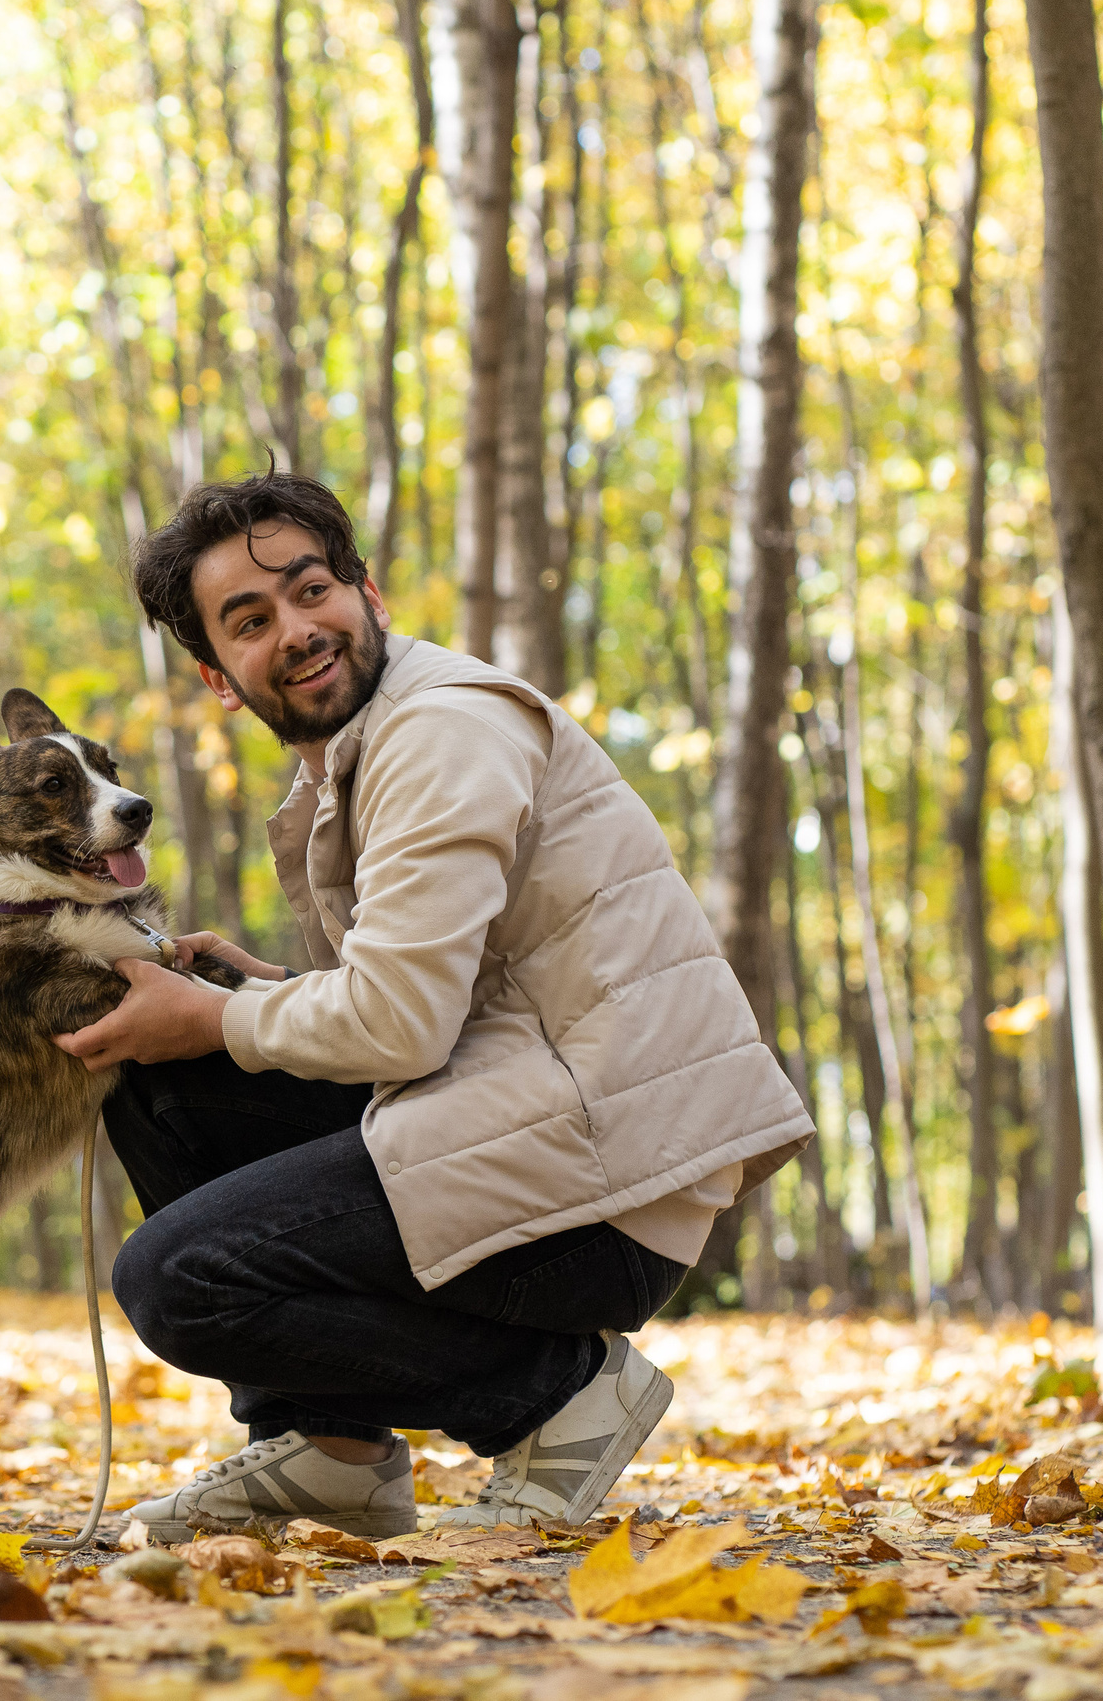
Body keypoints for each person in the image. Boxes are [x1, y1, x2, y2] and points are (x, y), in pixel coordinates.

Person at [55, 471, 815, 1538]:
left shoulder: (440, 732)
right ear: (220, 678)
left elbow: (401, 1028)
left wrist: (214, 1017)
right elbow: (447, 1003)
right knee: (167, 1082)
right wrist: (254, 997)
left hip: (603, 1182)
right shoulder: (359, 761)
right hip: (539, 1121)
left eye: (312, 590)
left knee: (178, 1280)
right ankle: (331, 1450)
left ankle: (554, 1396)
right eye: (251, 621)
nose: (298, 630)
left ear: (369, 594)